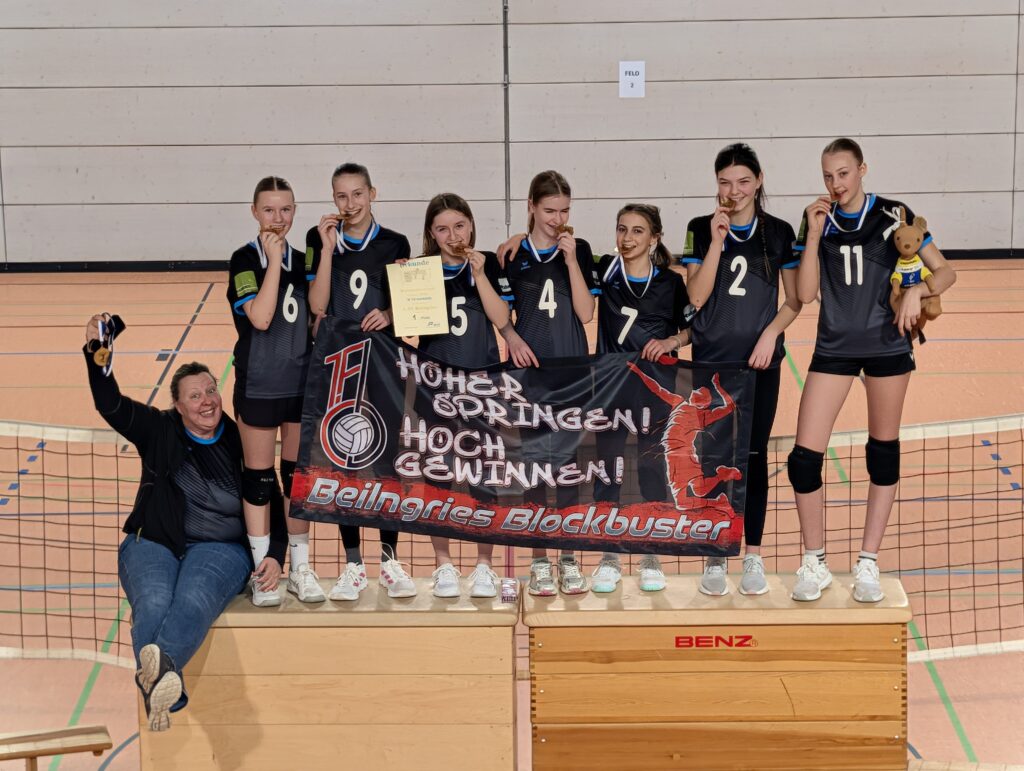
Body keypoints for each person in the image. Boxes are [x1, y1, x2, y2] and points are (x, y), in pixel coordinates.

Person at [83, 315, 286, 732]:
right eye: (195, 396)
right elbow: (110, 404)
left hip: (221, 547)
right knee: (154, 604)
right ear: (178, 406)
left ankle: (159, 682)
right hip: (153, 541)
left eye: (211, 390)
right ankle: (165, 686)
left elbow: (271, 496)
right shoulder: (159, 428)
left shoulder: (240, 439)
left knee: (193, 601)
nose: (207, 401)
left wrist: (276, 554)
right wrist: (97, 354)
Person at [789, 137, 956, 602]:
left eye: (843, 173)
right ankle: (815, 561)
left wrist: (918, 291)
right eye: (828, 175)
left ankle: (868, 562)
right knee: (803, 460)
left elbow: (945, 272)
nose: (835, 183)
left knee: (882, 453)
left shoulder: (894, 215)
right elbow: (805, 294)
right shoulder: (816, 219)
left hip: (887, 346)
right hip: (834, 348)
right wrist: (813, 235)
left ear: (862, 170)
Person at [682, 143, 802, 597]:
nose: (734, 191)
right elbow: (695, 297)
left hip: (759, 366)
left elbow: (795, 300)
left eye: (743, 182)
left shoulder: (778, 232)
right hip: (711, 365)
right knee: (713, 460)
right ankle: (715, 553)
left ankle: (753, 553)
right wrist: (717, 241)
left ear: (759, 181)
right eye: (725, 183)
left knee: (753, 458)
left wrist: (771, 334)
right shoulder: (700, 228)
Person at [306, 162, 416, 600]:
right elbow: (317, 306)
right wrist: (326, 250)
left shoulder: (395, 242)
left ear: (373, 193)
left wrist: (389, 313)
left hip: (383, 364)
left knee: (387, 460)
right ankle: (353, 564)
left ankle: (389, 561)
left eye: (357, 194)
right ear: (333, 199)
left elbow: (409, 306)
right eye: (341, 196)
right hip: (340, 365)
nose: (350, 203)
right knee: (343, 460)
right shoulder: (320, 239)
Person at [496, 170, 598, 596]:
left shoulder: (580, 250)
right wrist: (512, 339)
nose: (558, 219)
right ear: (531, 207)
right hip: (528, 376)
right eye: (550, 210)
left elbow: (586, 313)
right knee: (535, 467)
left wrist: (571, 261)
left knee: (569, 468)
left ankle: (569, 557)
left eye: (565, 211)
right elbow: (500, 314)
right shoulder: (510, 255)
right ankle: (539, 560)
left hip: (571, 373)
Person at [228, 176, 324, 605]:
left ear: (295, 211)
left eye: (286, 209)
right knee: (259, 480)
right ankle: (262, 573)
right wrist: (272, 262)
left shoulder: (303, 261)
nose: (278, 218)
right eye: (269, 209)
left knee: (298, 479)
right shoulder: (244, 260)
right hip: (259, 387)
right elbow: (261, 318)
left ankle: (300, 569)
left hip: (300, 386)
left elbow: (316, 315)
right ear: (254, 212)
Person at [590, 203, 692, 593]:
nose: (627, 238)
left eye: (637, 231)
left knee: (651, 467)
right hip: (611, 387)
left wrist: (671, 341)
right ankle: (609, 555)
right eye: (622, 229)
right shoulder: (606, 271)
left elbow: (692, 328)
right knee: (608, 470)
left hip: (655, 388)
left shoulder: (670, 282)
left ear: (654, 238)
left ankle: (651, 554)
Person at [415, 193, 509, 598]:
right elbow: (408, 326)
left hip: (481, 384)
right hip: (434, 385)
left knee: (482, 473)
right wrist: (403, 289)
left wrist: (480, 275)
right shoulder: (421, 270)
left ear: (471, 225)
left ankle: (484, 565)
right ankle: (443, 563)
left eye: (459, 226)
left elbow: (502, 319)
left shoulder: (486, 264)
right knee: (439, 473)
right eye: (442, 229)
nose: (452, 235)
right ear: (431, 234)